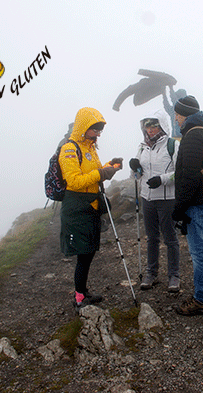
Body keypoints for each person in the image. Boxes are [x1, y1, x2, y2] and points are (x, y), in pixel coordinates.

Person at [59, 107, 123, 312]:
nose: (97, 134)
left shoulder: (90, 148)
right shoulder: (70, 149)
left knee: (89, 252)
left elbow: (94, 172)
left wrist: (110, 166)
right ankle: (79, 298)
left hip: (91, 205)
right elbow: (75, 181)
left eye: (99, 131)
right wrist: (102, 173)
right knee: (83, 253)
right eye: (94, 130)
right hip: (77, 206)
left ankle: (83, 291)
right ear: (83, 127)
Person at [170, 95, 203, 316]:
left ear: (184, 115)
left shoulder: (192, 136)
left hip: (198, 204)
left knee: (199, 253)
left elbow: (189, 177)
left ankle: (202, 299)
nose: (176, 118)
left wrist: (179, 209)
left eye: (178, 114)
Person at [129, 108, 181, 292]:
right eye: (147, 126)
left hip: (167, 198)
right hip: (147, 198)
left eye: (154, 125)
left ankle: (174, 276)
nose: (150, 130)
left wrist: (162, 179)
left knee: (170, 238)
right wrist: (134, 168)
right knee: (152, 238)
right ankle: (151, 273)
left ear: (161, 125)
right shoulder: (142, 146)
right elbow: (135, 176)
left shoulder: (172, 145)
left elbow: (180, 172)